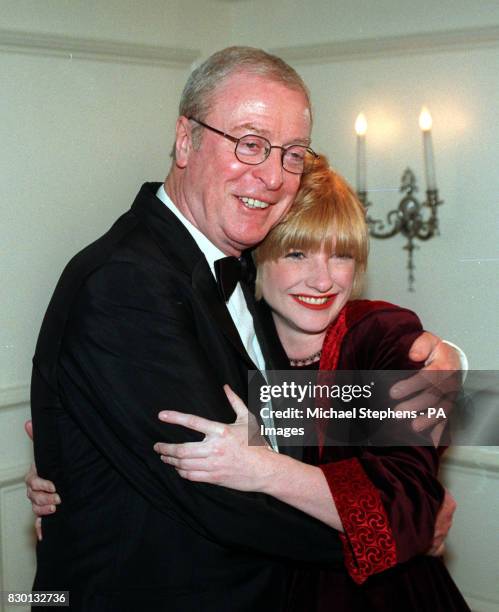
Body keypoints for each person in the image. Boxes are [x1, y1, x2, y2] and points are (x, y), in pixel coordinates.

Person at [28, 46, 462, 611]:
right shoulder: (126, 282)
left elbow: (308, 419)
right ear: (186, 140)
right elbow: (215, 493)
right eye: (249, 142)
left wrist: (453, 369)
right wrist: (401, 528)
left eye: (292, 153)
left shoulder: (252, 277)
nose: (271, 175)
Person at [151, 156, 470, 611]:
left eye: (340, 254)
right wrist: (62, 477)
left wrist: (262, 469)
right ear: (259, 255)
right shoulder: (230, 333)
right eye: (297, 252)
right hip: (259, 588)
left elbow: (407, 505)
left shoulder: (380, 334)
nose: (323, 279)